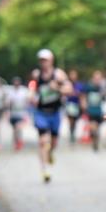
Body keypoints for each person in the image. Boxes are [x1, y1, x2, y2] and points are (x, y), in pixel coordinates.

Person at [31, 49, 73, 183]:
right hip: (41, 112)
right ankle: (45, 170)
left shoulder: (59, 74)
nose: (43, 63)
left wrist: (57, 88)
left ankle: (50, 153)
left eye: (45, 60)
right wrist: (31, 96)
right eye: (41, 60)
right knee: (43, 141)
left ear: (51, 60)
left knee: (53, 142)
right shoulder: (36, 75)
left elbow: (69, 89)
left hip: (55, 113)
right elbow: (32, 90)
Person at [83, 70, 106, 152]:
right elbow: (83, 96)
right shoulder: (89, 87)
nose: (97, 80)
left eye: (99, 79)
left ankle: (96, 144)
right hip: (91, 111)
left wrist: (104, 93)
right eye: (96, 78)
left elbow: (105, 98)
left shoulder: (101, 88)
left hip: (99, 112)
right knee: (93, 130)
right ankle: (94, 143)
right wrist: (84, 106)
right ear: (93, 78)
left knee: (97, 130)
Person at [8, 77, 30, 151]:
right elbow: (8, 103)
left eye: (17, 82)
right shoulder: (10, 91)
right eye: (15, 82)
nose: (16, 83)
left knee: (18, 128)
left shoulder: (24, 91)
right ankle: (16, 143)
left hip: (22, 113)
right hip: (13, 113)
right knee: (14, 129)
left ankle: (19, 142)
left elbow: (28, 101)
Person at [65, 69, 84, 144]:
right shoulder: (67, 84)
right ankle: (71, 133)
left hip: (77, 105)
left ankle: (73, 131)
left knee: (75, 121)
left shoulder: (79, 85)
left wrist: (82, 104)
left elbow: (82, 95)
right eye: (71, 75)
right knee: (71, 120)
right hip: (69, 104)